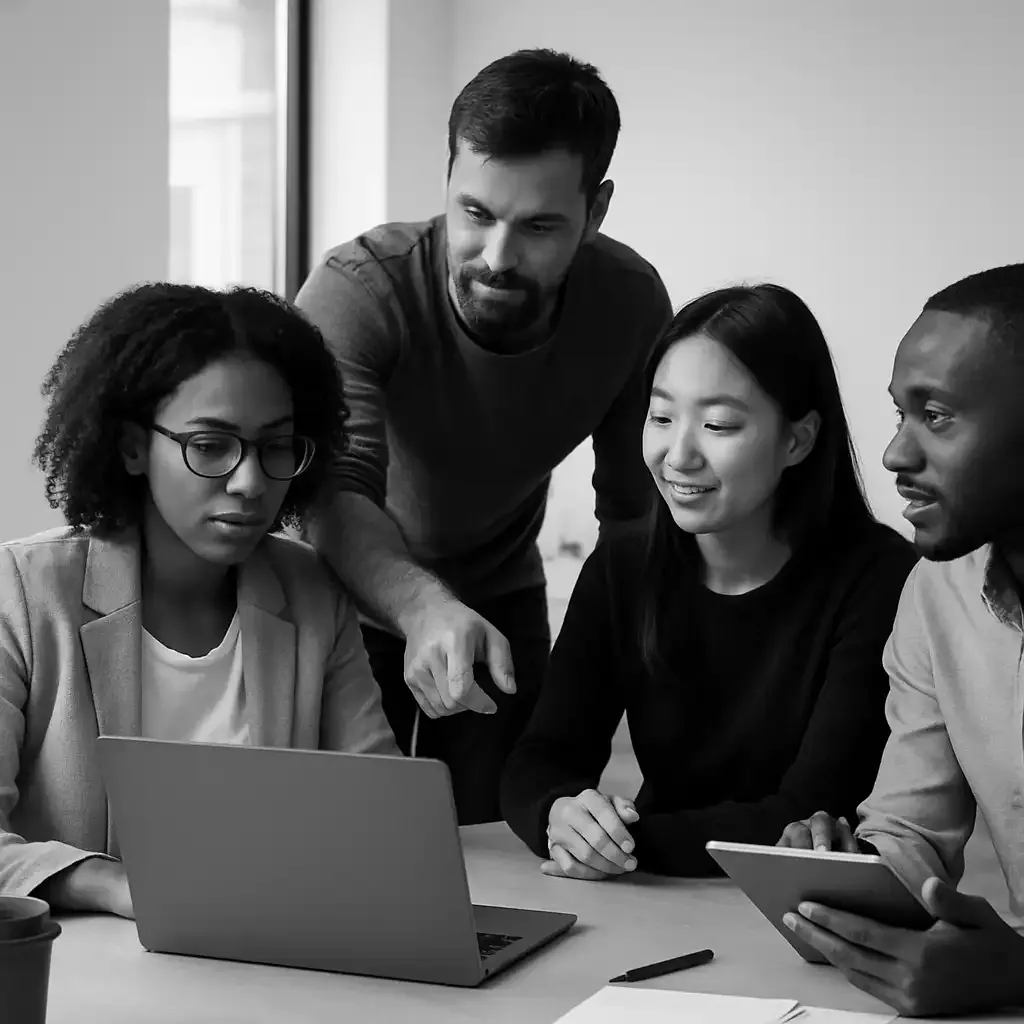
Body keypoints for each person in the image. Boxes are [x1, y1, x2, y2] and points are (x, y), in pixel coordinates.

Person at [296, 48, 672, 825]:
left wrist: (637, 669)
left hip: (504, 603)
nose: (497, 258)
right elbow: (335, 492)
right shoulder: (358, 289)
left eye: (538, 226)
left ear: (595, 210)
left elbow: (635, 512)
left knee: (504, 846)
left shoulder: (630, 305)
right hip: (334, 606)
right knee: (342, 851)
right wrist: (424, 611)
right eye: (476, 214)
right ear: (447, 182)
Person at [0, 283, 399, 918]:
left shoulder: (310, 592)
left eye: (275, 448)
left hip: (270, 953)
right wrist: (119, 887)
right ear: (133, 447)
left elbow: (385, 817)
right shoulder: (23, 591)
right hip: (81, 978)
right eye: (210, 446)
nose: (249, 482)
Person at [500, 284, 917, 877]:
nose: (678, 455)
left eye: (719, 425)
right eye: (661, 416)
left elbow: (805, 814)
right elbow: (541, 757)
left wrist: (620, 846)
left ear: (797, 439)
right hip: (651, 895)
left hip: (800, 908)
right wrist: (560, 815)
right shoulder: (624, 564)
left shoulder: (880, 581)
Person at [777, 263, 1024, 1017]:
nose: (895, 457)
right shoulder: (936, 592)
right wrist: (852, 876)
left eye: (938, 417)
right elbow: (912, 826)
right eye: (899, 415)